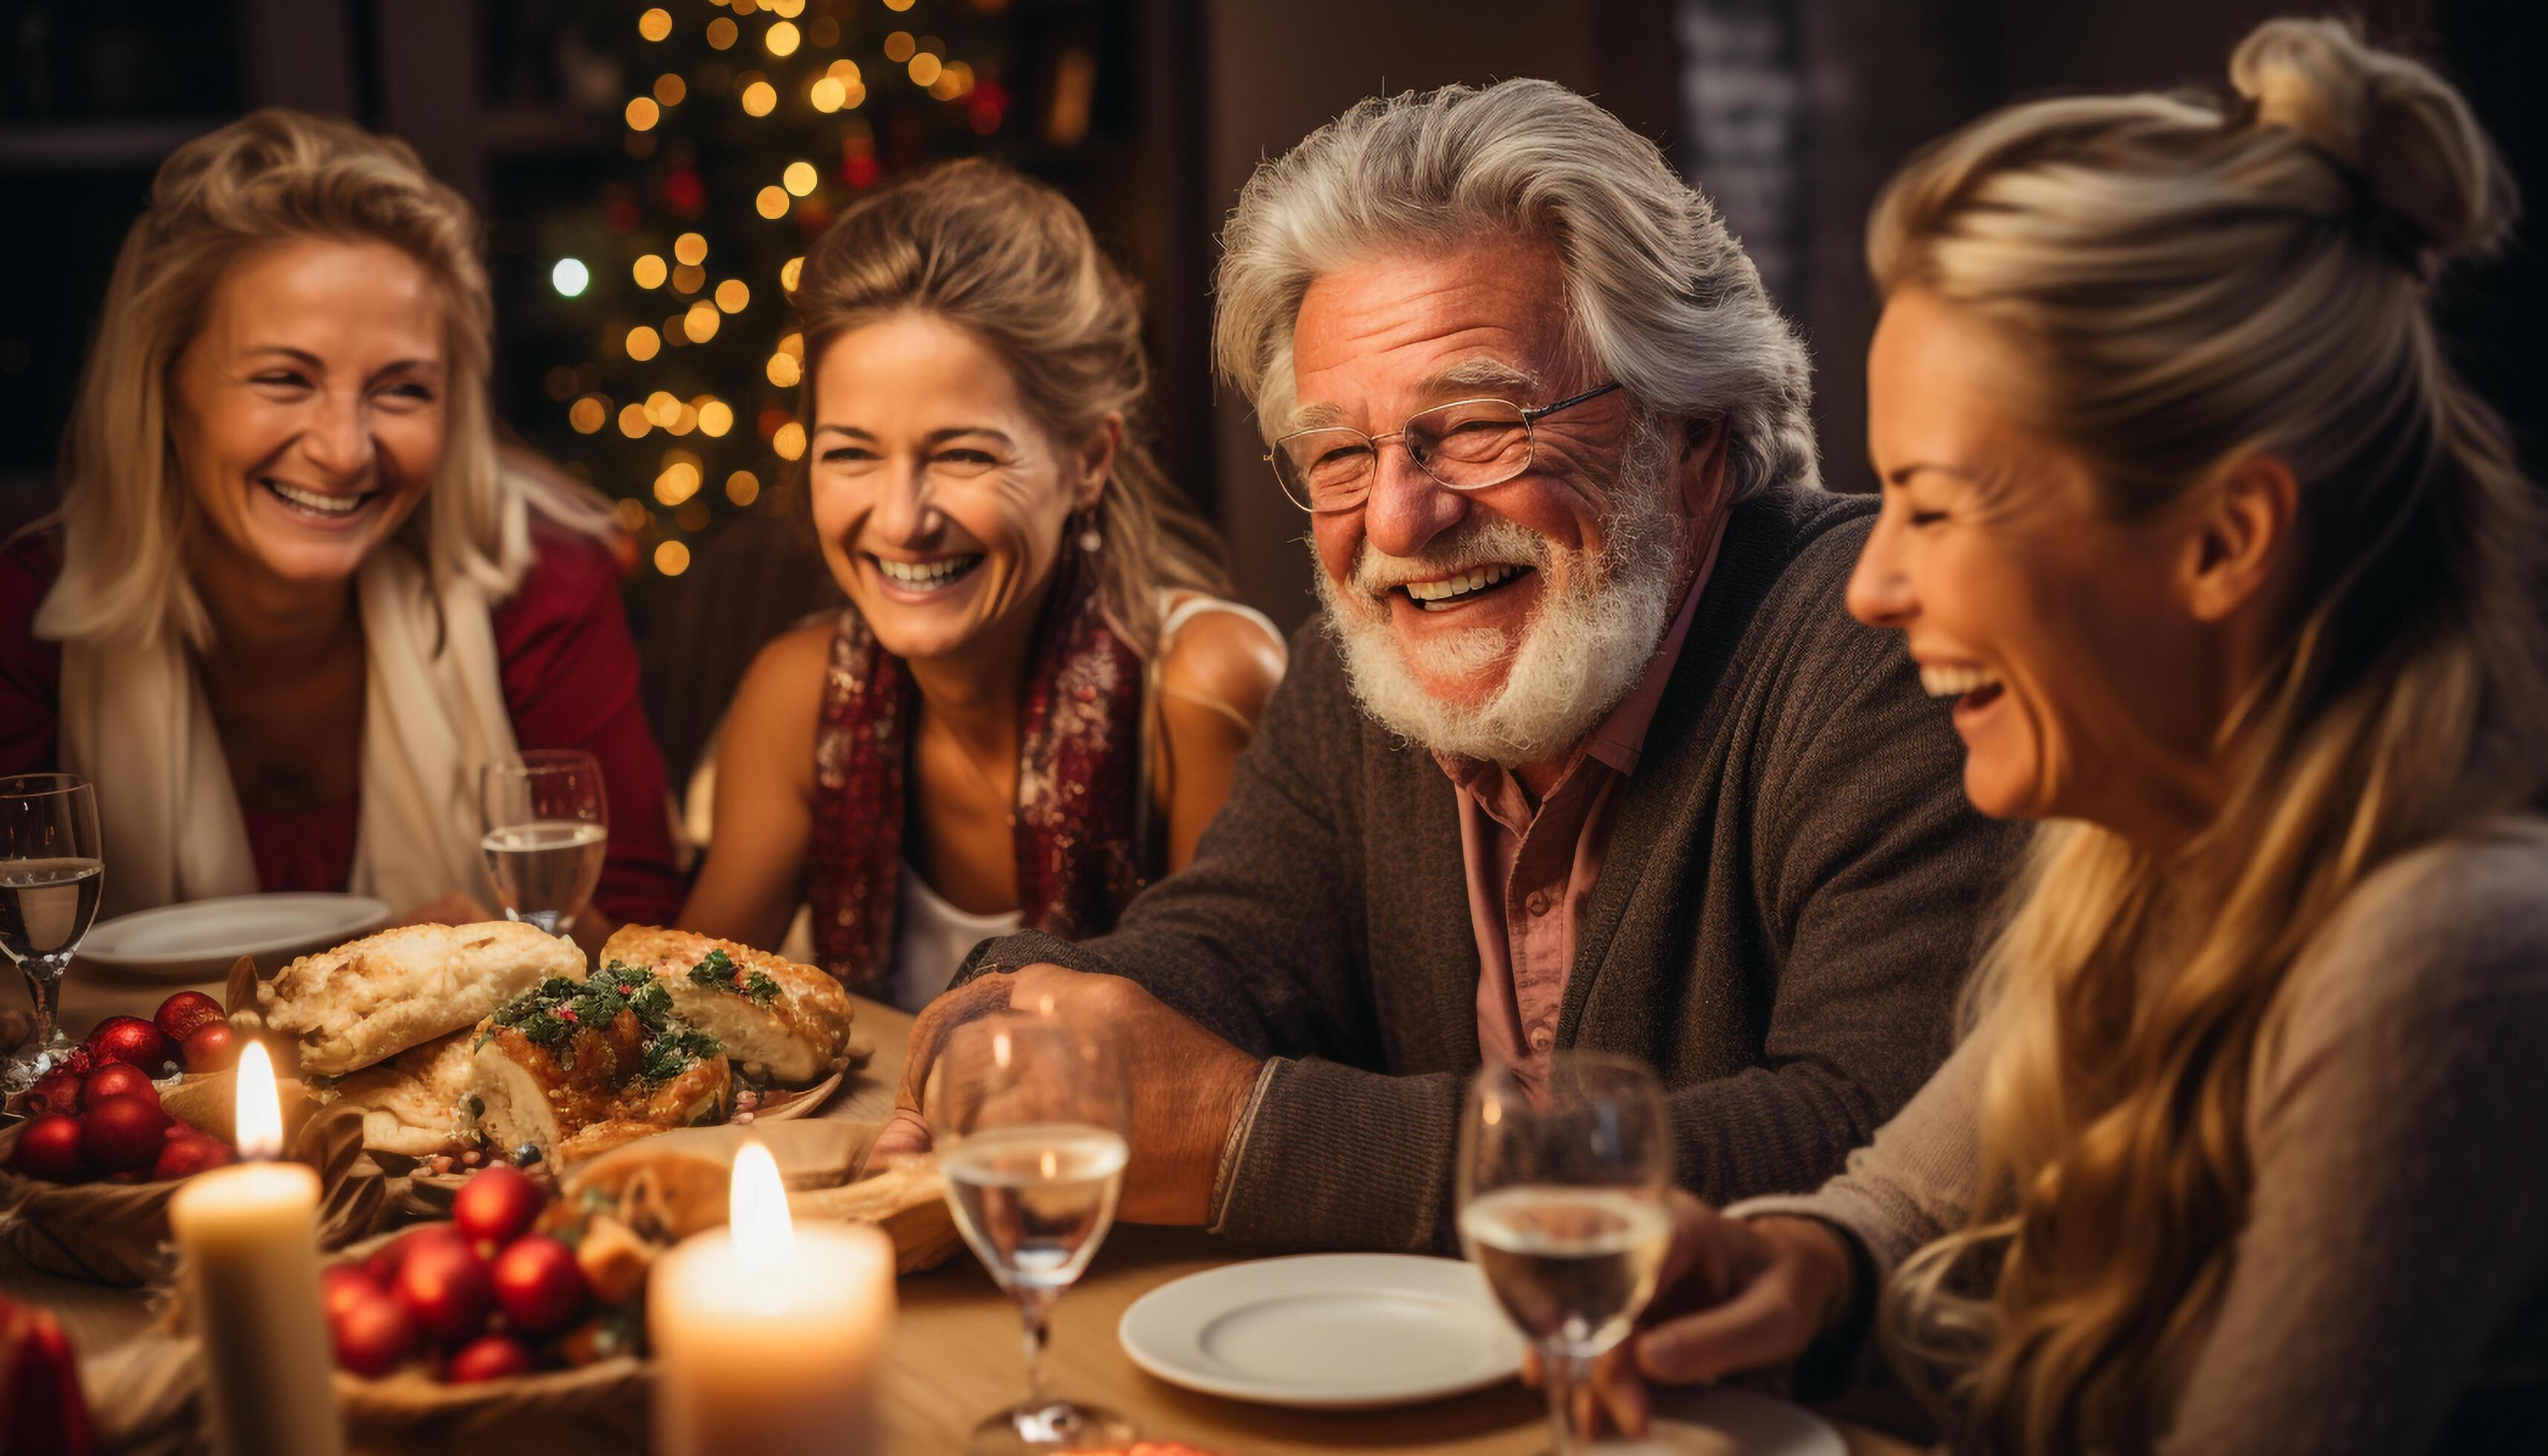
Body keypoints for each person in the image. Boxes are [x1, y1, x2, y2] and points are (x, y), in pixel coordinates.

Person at [1578, 19, 2548, 1455]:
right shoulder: (2156, 855)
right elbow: (1901, 1207)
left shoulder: (2443, 958)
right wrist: (1799, 1267)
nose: (1870, 584)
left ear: (2225, 538)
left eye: (1938, 505)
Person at [874, 80, 2018, 1247]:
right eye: (1337, 454)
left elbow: (1866, 1143)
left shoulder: (1887, 652)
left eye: (1475, 425)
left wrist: (1244, 1137)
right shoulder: (1359, 673)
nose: (1400, 522)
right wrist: (1015, 1018)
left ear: (1689, 436)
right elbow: (1229, 951)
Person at [0, 110, 682, 943]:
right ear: (164, 388)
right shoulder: (26, 612)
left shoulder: (543, 580)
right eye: (285, 378)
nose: (344, 451)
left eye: (401, 390)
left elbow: (647, 934)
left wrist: (521, 947)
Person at [675, 160, 1286, 1011]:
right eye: (850, 453)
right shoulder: (796, 693)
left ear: (1089, 460)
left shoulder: (1204, 683)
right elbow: (684, 1012)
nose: (900, 520)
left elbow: (1228, 1054)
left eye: (962, 455)